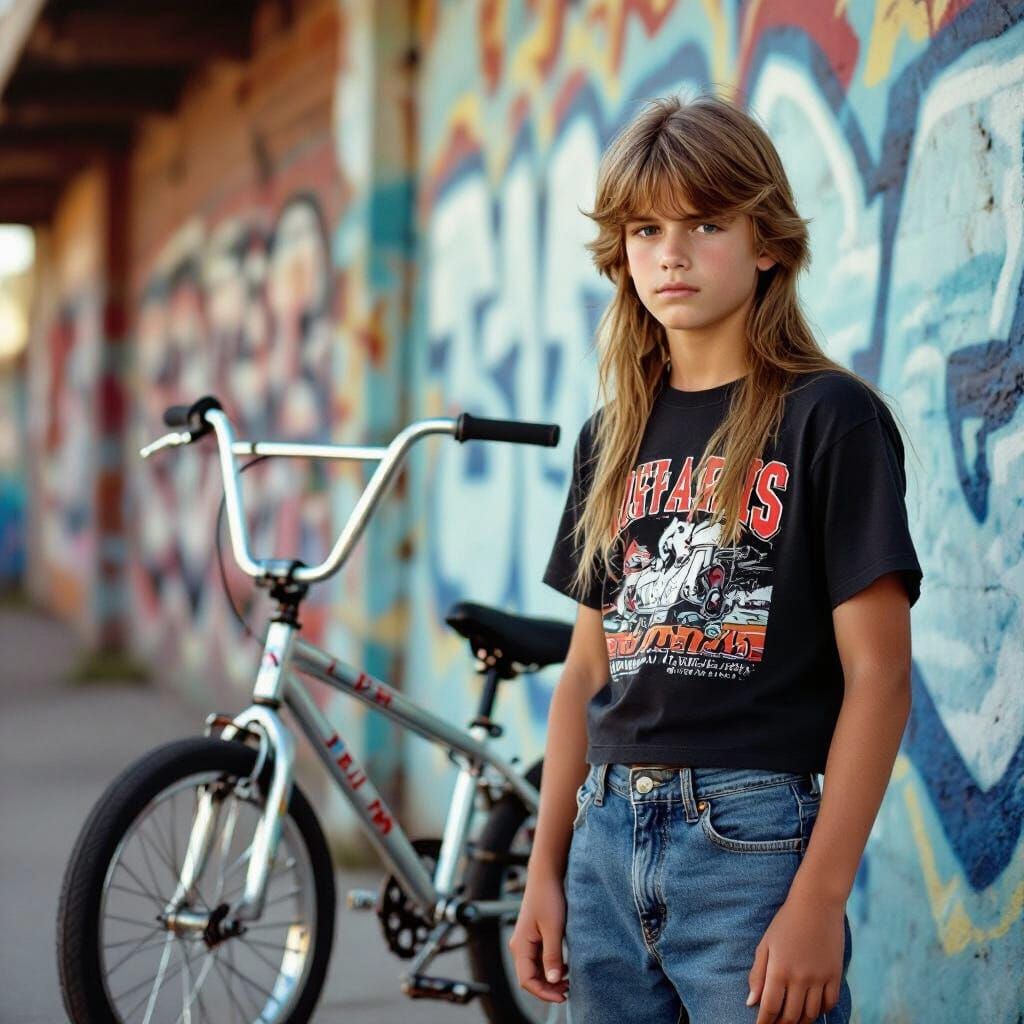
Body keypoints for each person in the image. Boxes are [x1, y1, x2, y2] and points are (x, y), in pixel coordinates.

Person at [508, 91, 924, 1024]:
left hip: (750, 842)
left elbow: (881, 677)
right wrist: (546, 867)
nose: (671, 252)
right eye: (646, 228)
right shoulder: (611, 436)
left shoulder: (829, 419)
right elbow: (586, 671)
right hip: (604, 837)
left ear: (767, 241)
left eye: (706, 222)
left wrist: (817, 900)